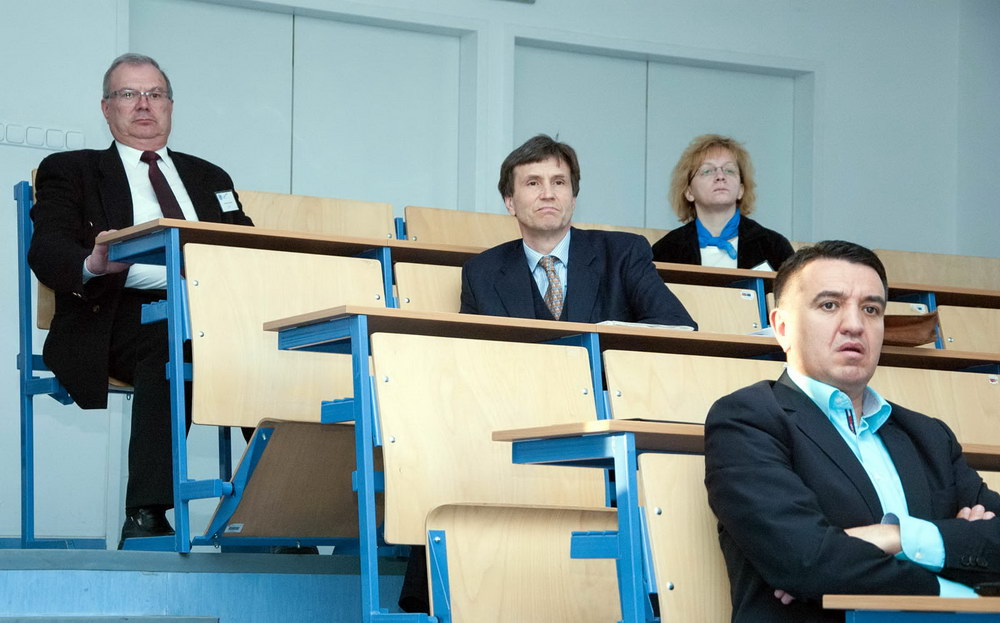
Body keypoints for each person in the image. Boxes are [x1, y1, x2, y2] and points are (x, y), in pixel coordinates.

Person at [704, 240, 1000, 622]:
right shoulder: (748, 419)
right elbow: (807, 561)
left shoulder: (929, 436)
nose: (855, 325)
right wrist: (955, 579)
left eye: (871, 309)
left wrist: (895, 536)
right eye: (829, 305)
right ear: (782, 327)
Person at [28, 53, 254, 548]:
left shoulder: (209, 176)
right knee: (175, 338)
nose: (144, 104)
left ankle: (270, 511)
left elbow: (247, 248)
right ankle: (146, 513)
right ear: (106, 108)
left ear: (170, 105)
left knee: (272, 348)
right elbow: (47, 248)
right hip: (115, 313)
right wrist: (93, 264)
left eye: (155, 94)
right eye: (129, 94)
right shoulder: (72, 170)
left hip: (209, 310)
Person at [460, 134, 696, 328]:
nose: (548, 194)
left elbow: (677, 326)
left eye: (559, 182)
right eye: (533, 183)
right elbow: (468, 354)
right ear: (510, 202)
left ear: (573, 199)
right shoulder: (481, 273)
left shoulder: (623, 254)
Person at [652, 134, 793, 271]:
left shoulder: (775, 247)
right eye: (707, 171)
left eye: (729, 170)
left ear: (741, 190)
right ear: (689, 192)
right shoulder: (665, 251)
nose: (720, 176)